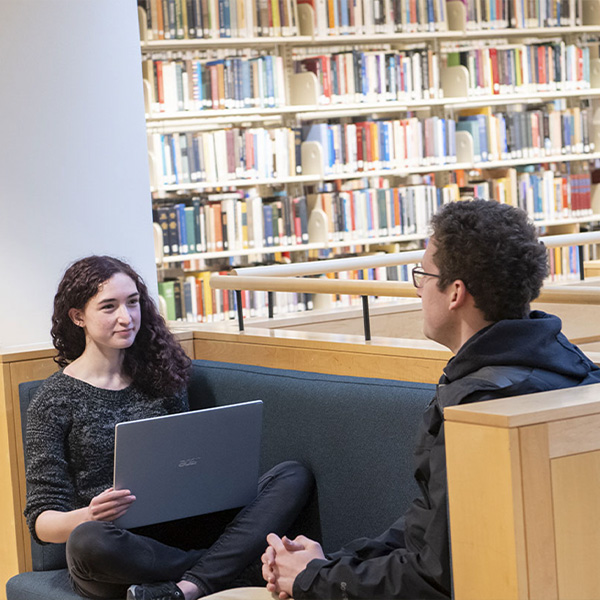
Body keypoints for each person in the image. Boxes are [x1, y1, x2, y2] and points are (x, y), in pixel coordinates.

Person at [260, 199, 600, 599]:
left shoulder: (480, 410)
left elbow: (434, 579)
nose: (419, 289)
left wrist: (311, 580)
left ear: (455, 293)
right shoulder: (571, 368)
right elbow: (437, 532)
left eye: (423, 275)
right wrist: (327, 566)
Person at [24, 255, 314, 600]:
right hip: (121, 547)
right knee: (88, 542)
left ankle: (188, 585)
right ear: (78, 317)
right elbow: (42, 521)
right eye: (109, 307)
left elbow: (185, 463)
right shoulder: (53, 400)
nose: (126, 317)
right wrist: (90, 514)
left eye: (133, 303)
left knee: (292, 476)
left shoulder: (161, 375)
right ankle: (231, 569)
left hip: (183, 527)